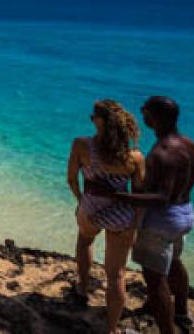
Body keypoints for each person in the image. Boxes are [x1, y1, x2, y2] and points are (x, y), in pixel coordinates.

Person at [109, 96, 194, 334]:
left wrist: (117, 196)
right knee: (174, 263)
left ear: (157, 116)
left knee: (155, 278)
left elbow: (161, 198)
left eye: (145, 110)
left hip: (162, 220)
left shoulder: (161, 153)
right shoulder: (190, 145)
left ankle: (166, 330)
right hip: (186, 213)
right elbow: (188, 178)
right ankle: (182, 312)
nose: (142, 113)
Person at [66, 99, 145, 334]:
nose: (91, 119)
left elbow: (71, 178)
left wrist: (81, 199)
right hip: (122, 215)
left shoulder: (82, 145)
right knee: (117, 274)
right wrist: (136, 224)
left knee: (85, 241)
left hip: (91, 209)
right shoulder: (135, 157)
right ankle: (111, 329)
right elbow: (139, 194)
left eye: (93, 116)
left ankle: (82, 287)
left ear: (101, 122)